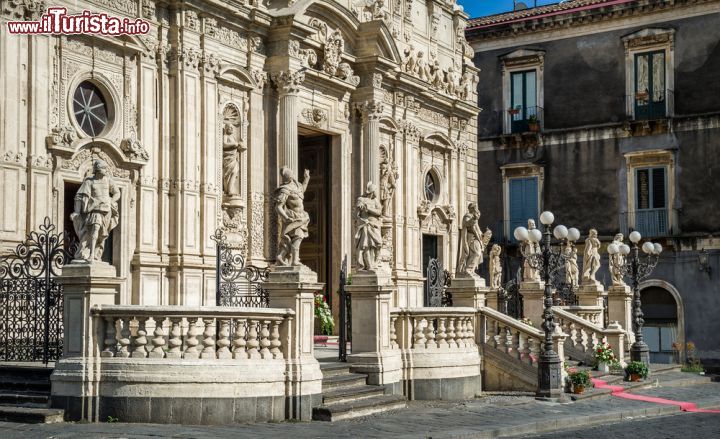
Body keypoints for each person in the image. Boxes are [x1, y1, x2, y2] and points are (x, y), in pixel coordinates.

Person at [71, 159, 120, 262]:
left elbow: (117, 193)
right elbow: (79, 196)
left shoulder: (108, 180)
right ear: (97, 169)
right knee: (94, 230)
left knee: (102, 235)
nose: (107, 170)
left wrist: (111, 200)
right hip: (95, 209)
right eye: (104, 168)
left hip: (106, 211)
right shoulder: (89, 181)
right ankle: (91, 255)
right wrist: (77, 212)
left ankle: (97, 254)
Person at [274, 166, 310, 267]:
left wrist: (306, 179)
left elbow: (302, 190)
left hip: (301, 216)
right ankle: (294, 261)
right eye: (291, 174)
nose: (293, 176)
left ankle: (281, 256)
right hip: (293, 217)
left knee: (290, 240)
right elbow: (278, 206)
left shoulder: (297, 186)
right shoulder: (285, 189)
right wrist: (285, 217)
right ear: (288, 177)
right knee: (297, 237)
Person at [355, 182, 383, 271]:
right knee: (366, 245)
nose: (376, 193)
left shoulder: (375, 201)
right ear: (372, 191)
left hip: (374, 225)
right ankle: (369, 265)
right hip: (365, 224)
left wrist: (369, 208)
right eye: (375, 190)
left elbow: (379, 212)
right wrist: (360, 207)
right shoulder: (361, 199)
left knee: (379, 243)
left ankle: (376, 262)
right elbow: (356, 212)